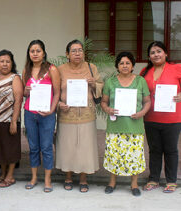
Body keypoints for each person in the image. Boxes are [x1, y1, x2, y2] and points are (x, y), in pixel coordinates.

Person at [56, 40, 103, 193]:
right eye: (74, 50)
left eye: (80, 50)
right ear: (67, 54)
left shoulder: (91, 67)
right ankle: (68, 176)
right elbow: (54, 90)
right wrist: (58, 104)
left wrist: (94, 84)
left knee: (85, 147)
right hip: (66, 113)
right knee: (68, 146)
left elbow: (101, 85)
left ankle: (83, 178)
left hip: (86, 114)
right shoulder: (60, 70)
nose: (77, 53)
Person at [101, 52, 151, 197]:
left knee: (134, 156)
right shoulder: (110, 81)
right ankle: (112, 182)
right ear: (117, 66)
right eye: (121, 63)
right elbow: (104, 102)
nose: (124, 65)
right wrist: (108, 109)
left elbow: (147, 101)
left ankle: (134, 184)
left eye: (128, 63)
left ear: (133, 65)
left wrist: (142, 113)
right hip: (115, 125)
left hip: (134, 125)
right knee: (114, 155)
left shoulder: (140, 81)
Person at [140, 41, 181, 193]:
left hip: (173, 118)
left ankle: (171, 181)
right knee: (154, 150)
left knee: (171, 150)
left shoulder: (177, 68)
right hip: (150, 118)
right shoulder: (145, 71)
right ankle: (154, 179)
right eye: (152, 52)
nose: (156, 54)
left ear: (165, 53)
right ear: (149, 56)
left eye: (159, 51)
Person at [22, 40, 60, 192]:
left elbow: (57, 92)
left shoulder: (52, 69)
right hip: (30, 113)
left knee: (46, 147)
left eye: (38, 51)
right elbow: (24, 94)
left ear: (43, 53)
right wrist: (27, 89)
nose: (35, 54)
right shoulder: (26, 70)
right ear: (29, 53)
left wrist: (52, 110)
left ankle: (47, 179)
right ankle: (33, 177)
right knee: (33, 147)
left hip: (46, 114)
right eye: (32, 51)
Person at [0, 50, 23, 187]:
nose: (5, 64)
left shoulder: (15, 78)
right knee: (0, 149)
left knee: (10, 148)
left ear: (12, 63)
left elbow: (18, 100)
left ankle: (10, 176)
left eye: (8, 61)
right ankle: (2, 174)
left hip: (9, 119)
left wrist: (14, 121)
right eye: (2, 61)